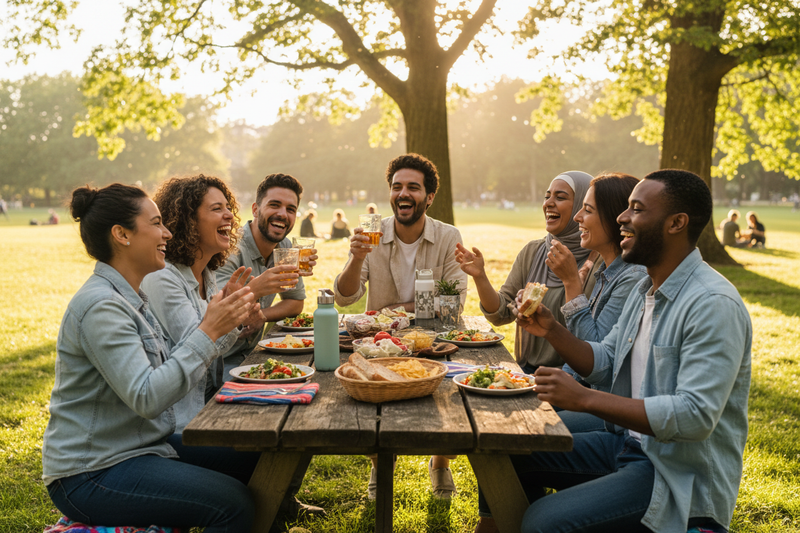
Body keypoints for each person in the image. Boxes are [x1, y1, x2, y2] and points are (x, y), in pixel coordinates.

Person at [478, 169, 752, 533]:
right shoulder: (646, 291)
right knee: (507, 449)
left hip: (674, 474)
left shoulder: (712, 303)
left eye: (636, 209)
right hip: (627, 443)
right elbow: (606, 363)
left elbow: (695, 416)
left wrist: (585, 400)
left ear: (677, 223)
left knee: (543, 522)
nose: (623, 216)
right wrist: (553, 330)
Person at [42, 183, 258, 532]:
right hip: (91, 471)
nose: (167, 233)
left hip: (141, 445)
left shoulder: (132, 296)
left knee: (256, 452)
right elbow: (148, 397)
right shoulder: (102, 306)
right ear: (121, 234)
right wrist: (209, 330)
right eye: (156, 223)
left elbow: (175, 359)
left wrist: (224, 320)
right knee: (232, 505)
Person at [333, 153, 467, 500]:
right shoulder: (372, 233)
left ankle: (440, 463)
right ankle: (380, 465)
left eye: (413, 187)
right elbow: (345, 298)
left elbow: (455, 299)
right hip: (379, 342)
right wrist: (357, 257)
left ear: (429, 197)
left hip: (432, 339)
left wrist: (400, 308)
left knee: (450, 400)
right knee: (373, 399)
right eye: (396, 187)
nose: (403, 193)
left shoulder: (448, 236)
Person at [141, 175, 260, 431]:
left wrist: (238, 317)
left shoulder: (207, 274)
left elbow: (212, 342)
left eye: (228, 208)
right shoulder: (163, 278)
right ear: (188, 221)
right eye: (217, 209)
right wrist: (233, 313)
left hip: (209, 402)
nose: (229, 215)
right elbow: (197, 345)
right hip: (179, 422)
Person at [455, 171, 598, 373]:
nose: (548, 203)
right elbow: (501, 313)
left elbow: (594, 341)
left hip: (572, 378)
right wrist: (480, 276)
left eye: (560, 197)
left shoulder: (598, 262)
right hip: (525, 372)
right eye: (547, 196)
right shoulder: (533, 251)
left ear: (581, 208)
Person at [545, 173, 647, 394]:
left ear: (615, 218)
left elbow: (595, 356)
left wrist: (571, 282)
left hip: (607, 403)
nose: (577, 217)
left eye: (588, 210)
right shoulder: (606, 271)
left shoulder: (634, 277)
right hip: (585, 390)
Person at [215, 173, 316, 374]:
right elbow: (217, 313)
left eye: (291, 209)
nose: (283, 214)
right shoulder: (230, 248)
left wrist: (262, 315)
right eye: (274, 205)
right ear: (255, 209)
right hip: (218, 363)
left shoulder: (285, 247)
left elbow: (295, 302)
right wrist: (256, 289)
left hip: (253, 355)